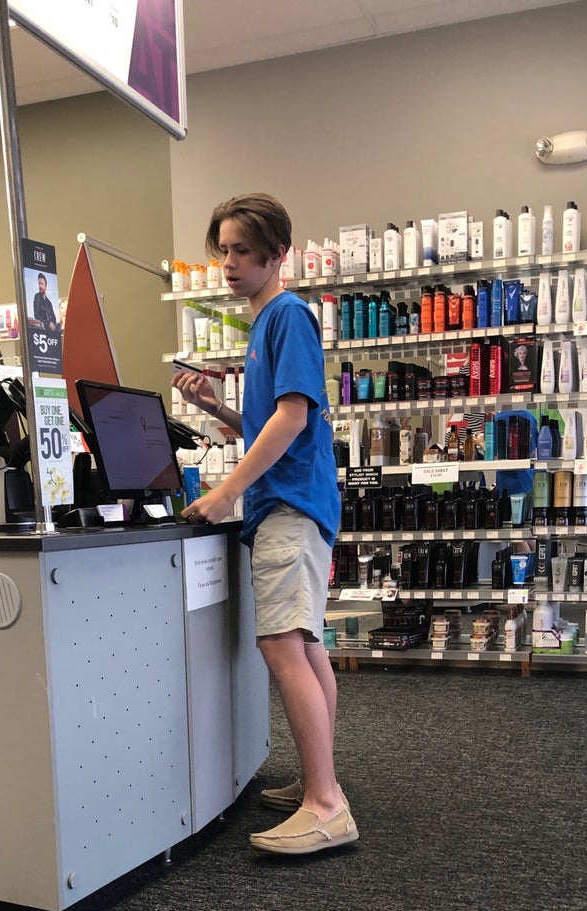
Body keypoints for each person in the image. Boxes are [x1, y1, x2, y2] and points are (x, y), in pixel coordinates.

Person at [172, 192, 357, 857]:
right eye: (223, 250)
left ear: (277, 254)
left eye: (243, 251)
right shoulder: (266, 324)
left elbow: (294, 418)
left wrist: (228, 491)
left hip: (289, 506)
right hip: (295, 503)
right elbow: (270, 423)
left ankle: (326, 805)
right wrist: (219, 410)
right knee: (305, 646)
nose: (229, 263)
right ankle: (319, 781)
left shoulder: (286, 315)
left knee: (282, 646)